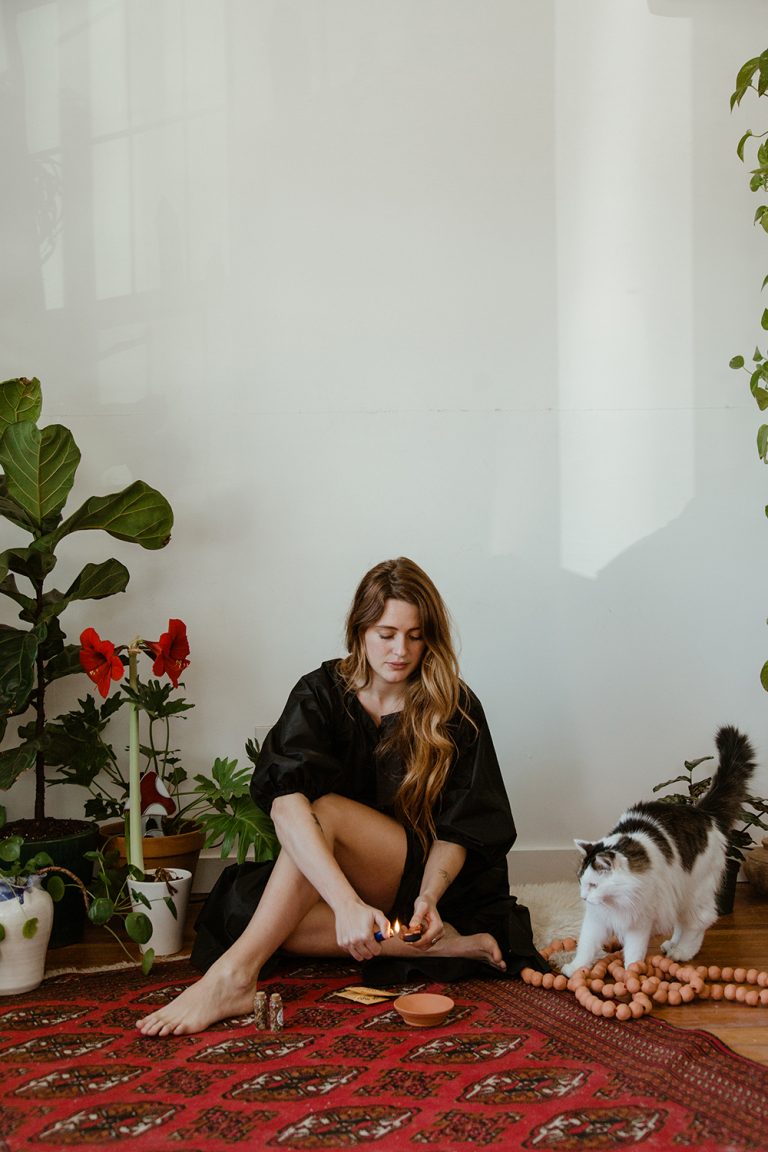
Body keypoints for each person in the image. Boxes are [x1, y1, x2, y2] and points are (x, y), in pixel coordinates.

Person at [136, 557, 545, 1036]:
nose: (401, 650)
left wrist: (430, 896)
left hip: (425, 878)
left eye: (415, 635)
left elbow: (464, 823)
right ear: (360, 630)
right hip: (347, 880)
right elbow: (283, 802)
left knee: (324, 811)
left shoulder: (453, 705)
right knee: (247, 908)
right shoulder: (321, 692)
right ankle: (441, 947)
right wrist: (346, 902)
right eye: (386, 634)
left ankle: (233, 976)